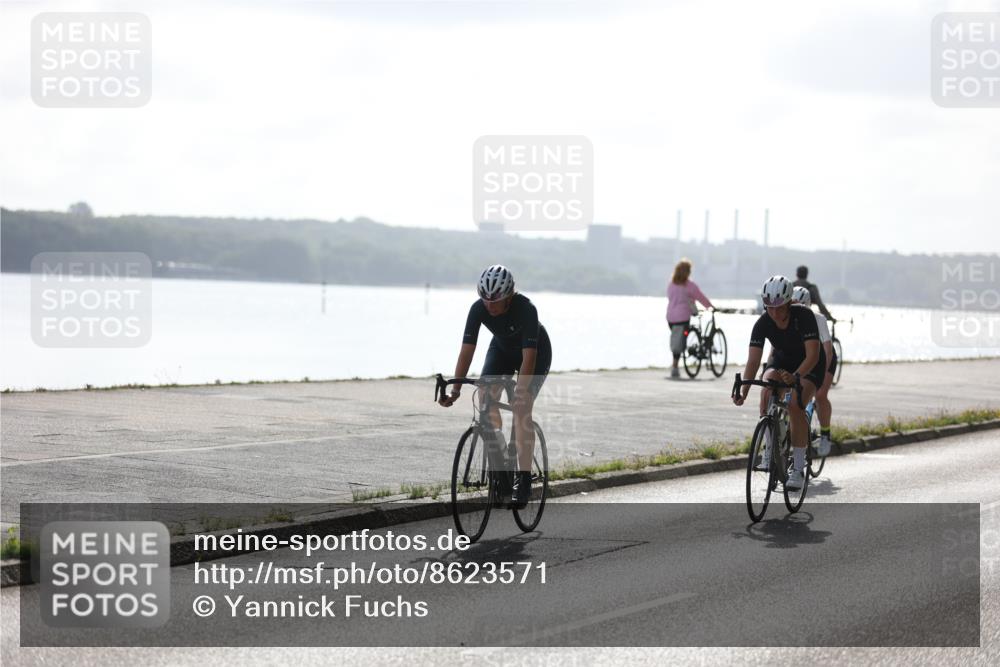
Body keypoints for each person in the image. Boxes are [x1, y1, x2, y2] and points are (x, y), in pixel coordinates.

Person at [438, 265, 551, 508]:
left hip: (535, 354)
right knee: (484, 397)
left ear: (508, 296)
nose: (490, 306)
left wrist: (521, 391)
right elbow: (467, 350)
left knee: (522, 409)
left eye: (496, 300)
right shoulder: (478, 309)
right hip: (500, 350)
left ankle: (523, 480)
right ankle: (501, 458)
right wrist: (455, 389)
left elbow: (528, 358)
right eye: (485, 299)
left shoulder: (526, 309)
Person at [733, 275, 826, 491]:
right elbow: (754, 360)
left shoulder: (804, 316)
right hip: (782, 359)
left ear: (788, 302)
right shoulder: (763, 322)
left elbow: (813, 354)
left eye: (779, 307)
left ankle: (798, 468)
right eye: (769, 307)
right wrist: (744, 391)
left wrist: (796, 377)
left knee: (795, 404)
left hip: (810, 364)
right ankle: (769, 449)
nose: (774, 313)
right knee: (766, 390)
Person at [792, 286, 835, 456]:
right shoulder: (787, 317)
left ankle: (825, 434)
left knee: (821, 394)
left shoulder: (818, 319)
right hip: (804, 357)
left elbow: (828, 351)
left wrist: (821, 377)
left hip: (825, 357)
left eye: (802, 306)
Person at [666, 259, 715, 379]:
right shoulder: (690, 285)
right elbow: (701, 297)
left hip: (670, 317)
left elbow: (670, 298)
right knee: (680, 339)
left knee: (677, 339)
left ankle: (675, 364)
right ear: (688, 272)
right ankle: (675, 367)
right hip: (682, 317)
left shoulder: (671, 284)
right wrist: (710, 307)